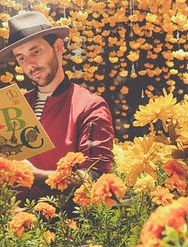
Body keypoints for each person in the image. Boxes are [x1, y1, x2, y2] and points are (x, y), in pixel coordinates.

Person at [0, 11, 114, 202]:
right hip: (12, 222)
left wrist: (37, 175)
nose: (30, 64)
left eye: (35, 51)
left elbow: (95, 177)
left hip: (64, 225)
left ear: (58, 47)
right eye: (21, 58)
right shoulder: (13, 106)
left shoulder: (90, 107)